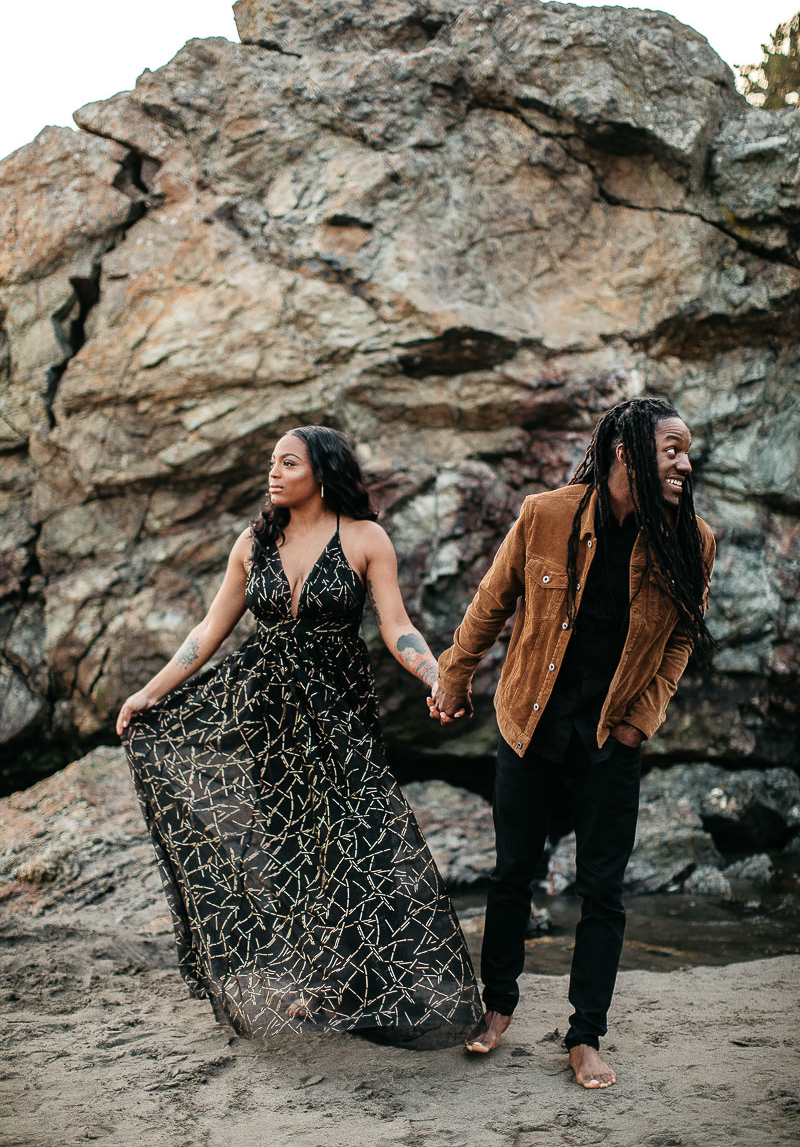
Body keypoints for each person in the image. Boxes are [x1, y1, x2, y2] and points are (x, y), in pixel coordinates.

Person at [117, 425, 481, 1043]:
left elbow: (397, 626)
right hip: (269, 716)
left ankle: (376, 980)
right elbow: (209, 630)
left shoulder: (365, 538)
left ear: (323, 471)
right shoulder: (253, 544)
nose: (275, 472)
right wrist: (150, 692)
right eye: (272, 463)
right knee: (290, 846)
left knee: (359, 841)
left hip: (339, 712)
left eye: (289, 462)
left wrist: (435, 674)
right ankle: (320, 985)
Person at [428, 398, 716, 1087]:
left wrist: (637, 721)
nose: (685, 461)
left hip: (610, 740)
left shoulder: (691, 539)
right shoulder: (546, 515)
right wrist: (454, 676)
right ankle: (497, 1007)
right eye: (671, 448)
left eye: (686, 449)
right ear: (627, 454)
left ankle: (585, 1035)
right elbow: (491, 602)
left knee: (604, 891)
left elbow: (681, 638)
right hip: (529, 722)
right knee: (512, 873)